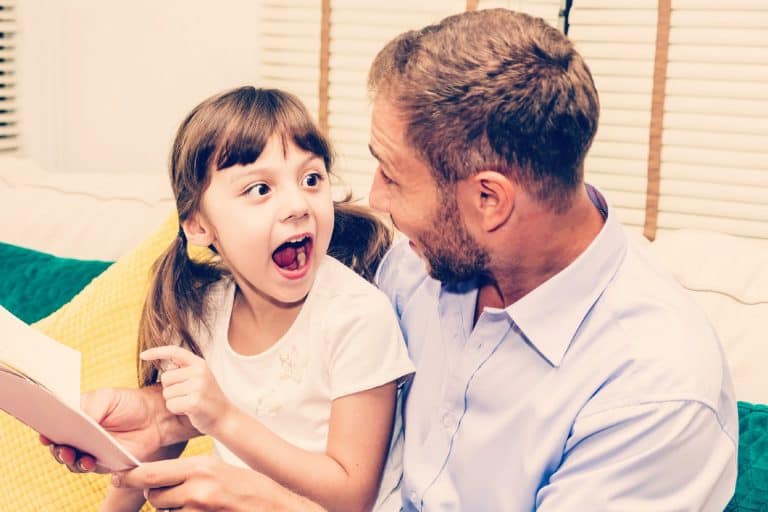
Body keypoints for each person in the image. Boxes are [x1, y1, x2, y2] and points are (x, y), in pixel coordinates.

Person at [46, 8, 738, 511]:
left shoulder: (653, 395)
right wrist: (163, 419)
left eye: (393, 176)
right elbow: (304, 387)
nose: (370, 200)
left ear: (488, 199)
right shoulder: (418, 267)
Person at [44, 85, 414, 512]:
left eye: (311, 179)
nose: (298, 204)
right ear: (199, 226)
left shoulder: (358, 316)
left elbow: (351, 496)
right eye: (260, 190)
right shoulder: (203, 311)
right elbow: (162, 447)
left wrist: (224, 418)